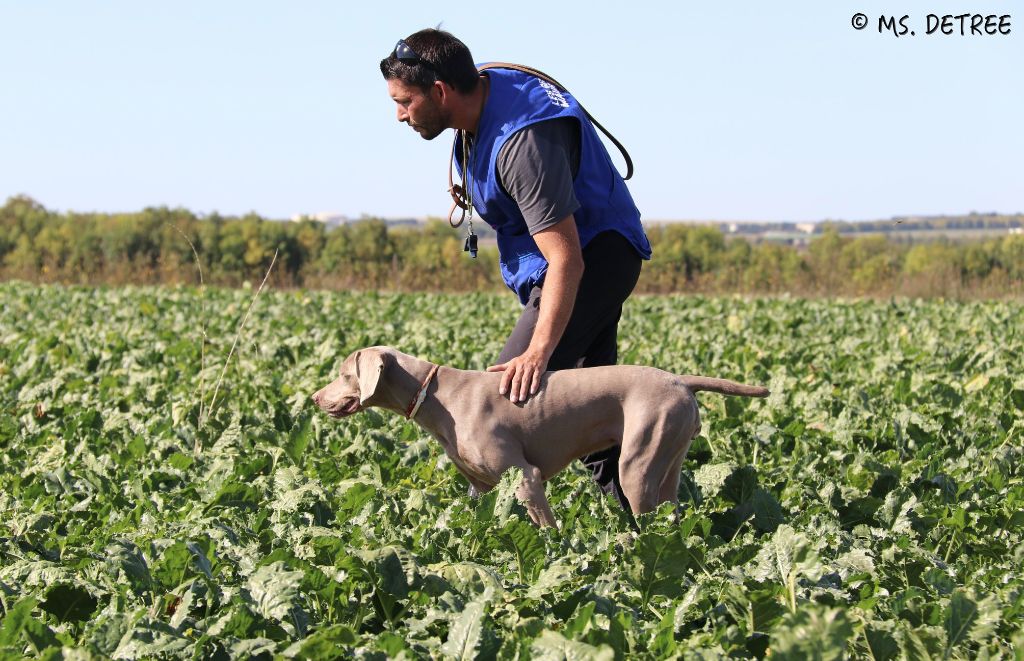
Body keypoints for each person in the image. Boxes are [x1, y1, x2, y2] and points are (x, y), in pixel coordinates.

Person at [379, 29, 652, 516]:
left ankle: (482, 539)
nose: (398, 114)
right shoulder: (478, 99)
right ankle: (643, 534)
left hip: (592, 259)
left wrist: (538, 352)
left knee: (496, 406)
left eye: (405, 101)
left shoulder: (524, 145)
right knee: (595, 409)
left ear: (441, 91)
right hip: (575, 260)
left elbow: (568, 258)